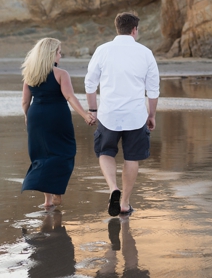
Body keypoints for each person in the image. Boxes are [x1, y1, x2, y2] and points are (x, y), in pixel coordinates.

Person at [85, 13, 160, 216]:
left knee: (105, 152)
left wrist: (93, 110)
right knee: (132, 158)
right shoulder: (145, 53)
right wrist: (151, 115)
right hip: (136, 116)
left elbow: (90, 84)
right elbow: (153, 90)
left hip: (108, 114)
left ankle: (113, 189)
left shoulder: (103, 50)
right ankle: (125, 203)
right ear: (134, 30)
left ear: (117, 28)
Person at [21, 38, 95, 209]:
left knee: (41, 154)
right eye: (59, 52)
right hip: (57, 116)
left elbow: (25, 101)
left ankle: (47, 200)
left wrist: (27, 116)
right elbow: (69, 96)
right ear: (51, 54)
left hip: (35, 116)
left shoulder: (30, 74)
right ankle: (57, 194)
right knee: (63, 152)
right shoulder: (61, 74)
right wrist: (85, 115)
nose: (60, 56)